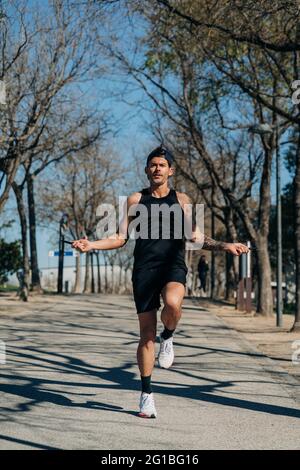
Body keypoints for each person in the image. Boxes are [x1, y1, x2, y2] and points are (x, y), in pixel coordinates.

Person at [72, 144, 250, 419]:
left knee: (172, 303)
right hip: (144, 270)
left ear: (171, 170)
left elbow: (195, 237)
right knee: (145, 337)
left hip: (172, 266)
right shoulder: (135, 200)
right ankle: (146, 395)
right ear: (147, 169)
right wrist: (91, 244)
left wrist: (226, 245)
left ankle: (168, 337)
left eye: (162, 165)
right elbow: (120, 238)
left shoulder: (183, 200)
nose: (157, 169)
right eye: (153, 165)